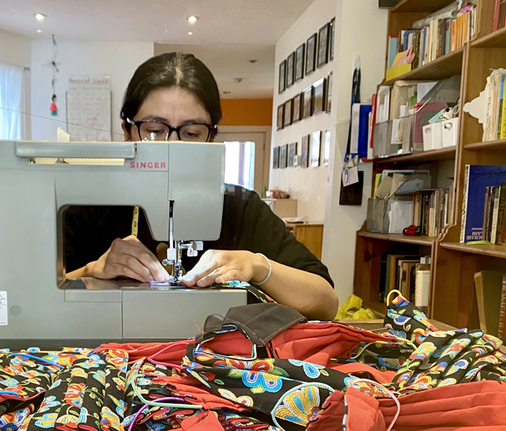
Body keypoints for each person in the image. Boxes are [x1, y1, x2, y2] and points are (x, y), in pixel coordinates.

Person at [64, 52, 338, 320]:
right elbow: (27, 297)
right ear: (127, 131)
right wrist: (93, 269)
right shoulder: (93, 205)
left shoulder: (239, 207)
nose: (171, 145)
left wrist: (256, 266)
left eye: (191, 132)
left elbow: (326, 303)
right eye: (153, 131)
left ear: (212, 136)